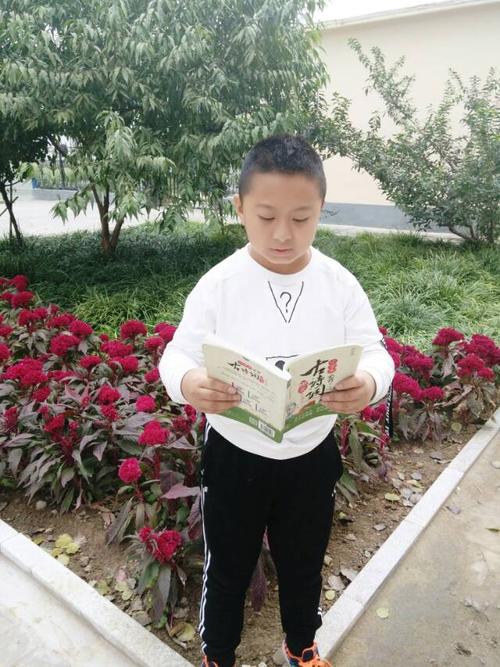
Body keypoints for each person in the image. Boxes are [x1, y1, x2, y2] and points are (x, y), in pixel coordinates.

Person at [159, 134, 395, 667]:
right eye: (266, 217)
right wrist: (189, 383)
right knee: (227, 566)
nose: (283, 234)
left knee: (304, 562)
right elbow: (177, 354)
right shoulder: (220, 285)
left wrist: (368, 383)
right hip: (234, 454)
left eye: (301, 218)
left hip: (310, 455)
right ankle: (218, 654)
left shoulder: (338, 284)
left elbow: (376, 351)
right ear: (240, 208)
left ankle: (301, 647)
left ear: (321, 210)